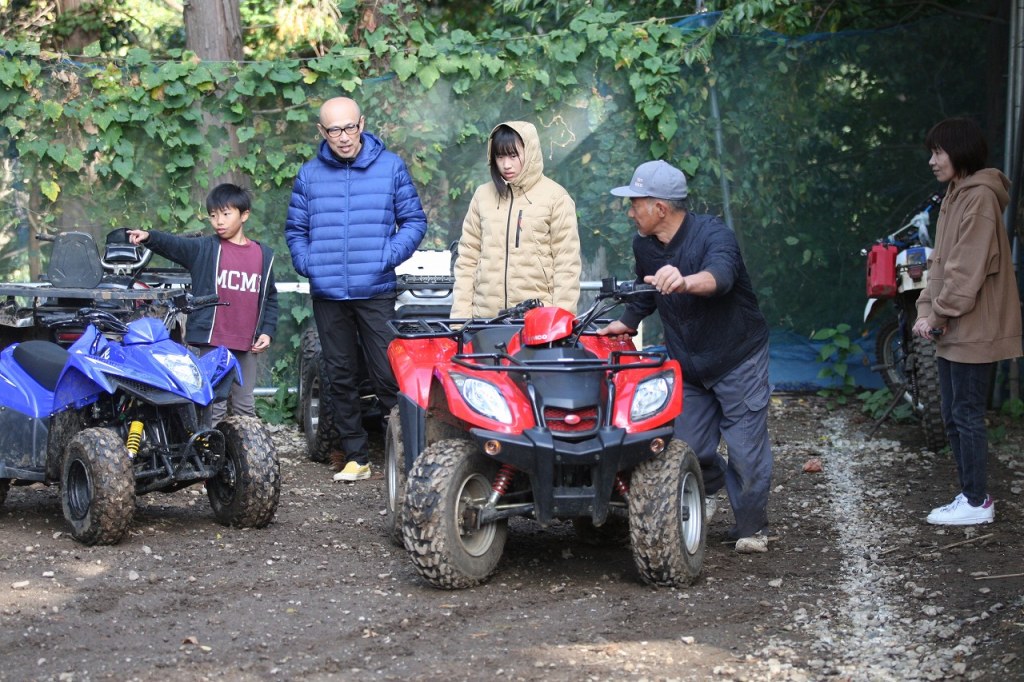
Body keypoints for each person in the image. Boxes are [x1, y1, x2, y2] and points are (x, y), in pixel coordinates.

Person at [597, 160, 773, 553]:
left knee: (745, 449)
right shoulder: (644, 245)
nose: (630, 212)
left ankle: (751, 527)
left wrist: (684, 281)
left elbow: (720, 277)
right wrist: (625, 323)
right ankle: (708, 490)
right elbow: (646, 291)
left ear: (660, 208)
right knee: (686, 446)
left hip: (738, 359)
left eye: (635, 204)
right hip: (690, 364)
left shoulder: (714, 235)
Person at [285, 96, 427, 482]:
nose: (344, 137)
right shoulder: (309, 174)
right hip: (328, 293)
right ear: (322, 132)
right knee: (340, 375)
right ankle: (356, 457)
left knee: (388, 376)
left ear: (361, 124)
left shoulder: (390, 167)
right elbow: (296, 230)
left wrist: (387, 255)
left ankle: (408, 458)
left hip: (376, 289)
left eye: (350, 127)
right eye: (334, 130)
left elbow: (414, 221)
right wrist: (309, 263)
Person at [912, 117, 1021, 526]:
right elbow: (939, 264)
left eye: (938, 152)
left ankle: (977, 501)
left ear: (960, 152)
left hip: (975, 328)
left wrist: (937, 313)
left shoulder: (980, 198)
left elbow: (966, 269)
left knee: (967, 413)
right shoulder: (954, 195)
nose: (932, 161)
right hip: (953, 326)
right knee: (953, 414)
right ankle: (970, 496)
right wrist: (925, 310)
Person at [127, 183, 279, 428]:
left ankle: (245, 451)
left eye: (226, 214)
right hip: (213, 341)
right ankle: (210, 450)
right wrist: (150, 237)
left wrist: (267, 331)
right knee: (213, 408)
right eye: (213, 215)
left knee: (245, 408)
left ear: (244, 215)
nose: (219, 221)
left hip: (247, 343)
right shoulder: (205, 249)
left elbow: (270, 297)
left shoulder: (263, 255)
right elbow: (175, 245)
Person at [452, 121, 581, 318]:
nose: (506, 165)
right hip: (485, 320)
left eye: (513, 156)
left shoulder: (556, 197)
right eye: (500, 156)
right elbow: (467, 261)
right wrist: (460, 320)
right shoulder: (482, 195)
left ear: (530, 152)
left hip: (538, 320)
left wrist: (559, 323)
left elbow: (567, 266)